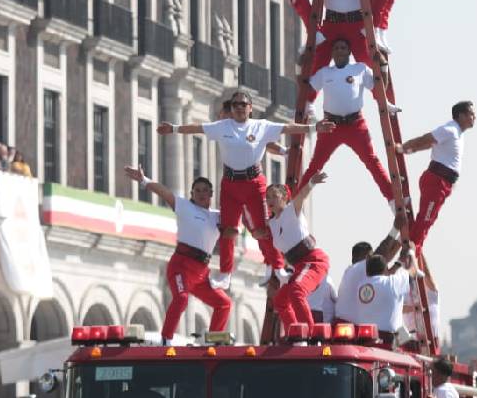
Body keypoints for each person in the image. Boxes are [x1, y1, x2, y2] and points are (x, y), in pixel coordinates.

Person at [158, 91, 333, 290]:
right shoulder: (223, 126)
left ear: (250, 108)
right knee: (228, 230)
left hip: (253, 183)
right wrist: (173, 128)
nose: (239, 108)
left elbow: (287, 128)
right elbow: (197, 128)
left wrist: (314, 127)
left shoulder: (261, 126)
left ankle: (277, 268)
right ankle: (225, 274)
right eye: (235, 105)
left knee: (263, 228)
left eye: (243, 104)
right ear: (231, 109)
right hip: (230, 184)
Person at [124, 165, 230, 342]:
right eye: (197, 190)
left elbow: (239, 214)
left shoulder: (218, 216)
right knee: (181, 299)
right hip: (181, 266)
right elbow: (165, 193)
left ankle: (213, 340)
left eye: (205, 190)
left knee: (224, 303)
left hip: (201, 273)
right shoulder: (185, 207)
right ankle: (166, 339)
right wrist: (144, 180)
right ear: (192, 194)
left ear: (211, 194)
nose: (201, 194)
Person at [297, 38, 398, 205]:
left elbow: (380, 88)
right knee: (314, 167)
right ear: (332, 53)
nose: (339, 51)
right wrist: (299, 66)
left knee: (372, 162)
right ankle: (295, 203)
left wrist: (384, 66)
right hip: (330, 126)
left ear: (349, 52)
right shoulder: (324, 73)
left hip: (355, 124)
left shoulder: (360, 69)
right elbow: (306, 89)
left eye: (343, 48)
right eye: (336, 48)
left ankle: (393, 200)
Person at [397, 101, 475, 250]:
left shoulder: (458, 133)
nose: (474, 117)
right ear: (461, 116)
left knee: (428, 221)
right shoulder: (450, 129)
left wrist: (410, 150)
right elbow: (426, 139)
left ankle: (413, 251)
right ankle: (409, 255)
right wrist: (404, 148)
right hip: (436, 182)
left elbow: (429, 145)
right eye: (471, 114)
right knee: (425, 220)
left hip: (443, 184)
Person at [265, 178, 330, 335]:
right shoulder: (272, 224)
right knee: (280, 301)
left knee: (296, 291)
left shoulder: (291, 210)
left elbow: (302, 195)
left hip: (314, 260)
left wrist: (312, 182)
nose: (270, 200)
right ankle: (295, 333)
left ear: (284, 197)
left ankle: (310, 335)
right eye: (267, 197)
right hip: (299, 266)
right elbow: (256, 230)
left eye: (274, 196)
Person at [356, 252, 415, 347]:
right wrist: (412, 253)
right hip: (388, 341)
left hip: (364, 340)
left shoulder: (360, 286)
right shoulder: (392, 283)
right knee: (412, 344)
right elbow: (413, 272)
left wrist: (397, 264)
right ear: (385, 270)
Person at [334, 241, 374, 324]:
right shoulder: (359, 269)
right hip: (350, 325)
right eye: (370, 256)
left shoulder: (349, 271)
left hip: (342, 323)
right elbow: (384, 253)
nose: (373, 259)